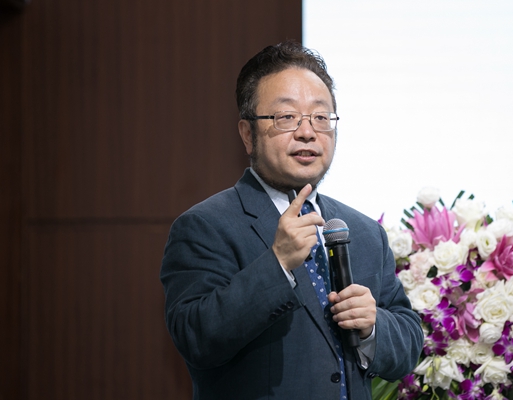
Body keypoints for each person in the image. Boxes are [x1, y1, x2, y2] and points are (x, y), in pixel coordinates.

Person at [160, 41, 422, 400]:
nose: (307, 132)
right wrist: (278, 264)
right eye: (286, 117)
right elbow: (196, 339)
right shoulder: (205, 226)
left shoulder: (363, 232)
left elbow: (408, 344)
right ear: (248, 134)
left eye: (321, 117)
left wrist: (372, 325)